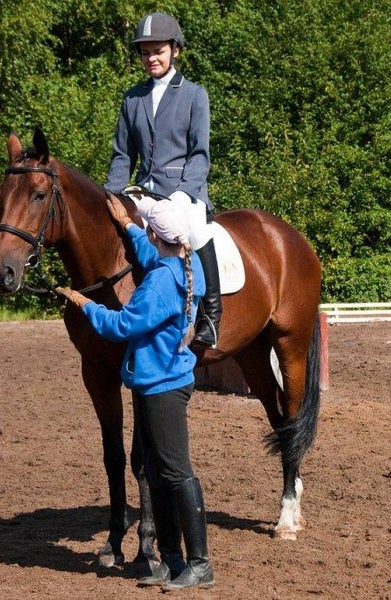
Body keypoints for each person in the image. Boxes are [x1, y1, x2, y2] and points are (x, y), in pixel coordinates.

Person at [57, 195, 215, 591]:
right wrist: (127, 225)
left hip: (163, 388)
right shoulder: (185, 263)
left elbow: (123, 325)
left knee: (176, 473)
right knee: (159, 474)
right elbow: (150, 254)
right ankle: (171, 559)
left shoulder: (161, 282)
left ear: (156, 234)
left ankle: (200, 564)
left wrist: (83, 302)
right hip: (153, 383)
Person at [104, 11, 221, 349]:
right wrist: (111, 194)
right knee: (114, 227)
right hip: (143, 190)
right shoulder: (132, 98)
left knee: (196, 230)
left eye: (158, 51)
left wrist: (185, 194)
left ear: (175, 50)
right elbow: (123, 155)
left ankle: (211, 315)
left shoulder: (194, 94)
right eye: (145, 52)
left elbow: (200, 154)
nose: (151, 58)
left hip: (184, 190)